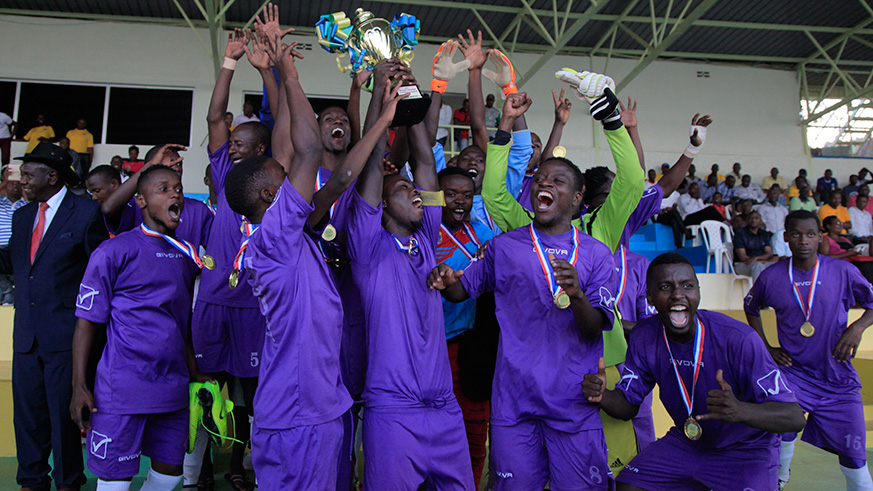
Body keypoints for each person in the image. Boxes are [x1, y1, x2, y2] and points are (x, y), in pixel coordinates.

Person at [432, 141, 619, 490]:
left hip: (573, 404)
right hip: (514, 403)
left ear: (578, 198)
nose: (544, 184)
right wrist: (446, 280)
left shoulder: (595, 254)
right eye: (540, 180)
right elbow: (462, 291)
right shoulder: (504, 246)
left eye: (557, 181)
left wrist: (577, 295)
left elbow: (594, 328)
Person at [347, 61, 474, 490]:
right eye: (403, 192)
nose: (415, 193)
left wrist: (413, 95)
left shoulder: (426, 241)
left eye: (414, 190)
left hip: (444, 408)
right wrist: (381, 100)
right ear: (380, 207)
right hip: (392, 410)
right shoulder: (366, 247)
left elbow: (424, 162)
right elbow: (368, 171)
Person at [583, 253, 805, 491]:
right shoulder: (645, 336)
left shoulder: (739, 339)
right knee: (628, 487)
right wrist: (602, 396)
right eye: (665, 287)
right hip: (687, 443)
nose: (678, 294)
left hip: (746, 449)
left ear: (698, 291)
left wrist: (741, 410)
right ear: (649, 296)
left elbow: (794, 417)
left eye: (687, 286)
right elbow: (628, 406)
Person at [70, 165, 208, 491]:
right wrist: (79, 386)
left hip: (172, 390)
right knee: (115, 483)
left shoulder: (185, 255)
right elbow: (86, 325)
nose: (176, 193)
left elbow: (181, 323)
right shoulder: (113, 251)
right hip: (122, 391)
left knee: (170, 476)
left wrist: (195, 373)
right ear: (142, 201)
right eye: (164, 188)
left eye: (178, 188)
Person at [0, 142, 108, 490]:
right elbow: (17, 266)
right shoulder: (21, 216)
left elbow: (98, 274)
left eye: (29, 176)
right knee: (27, 416)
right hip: (26, 335)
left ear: (52, 176)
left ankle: (68, 481)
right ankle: (31, 479)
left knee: (65, 418)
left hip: (66, 337)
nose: (23, 182)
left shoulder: (86, 213)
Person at [746, 210, 873, 491]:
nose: (803, 240)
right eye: (796, 234)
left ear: (820, 238)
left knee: (855, 459)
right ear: (786, 238)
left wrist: (857, 328)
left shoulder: (843, 271)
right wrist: (766, 347)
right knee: (782, 427)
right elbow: (750, 307)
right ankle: (779, 478)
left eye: (810, 234)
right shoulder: (772, 276)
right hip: (794, 374)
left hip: (838, 378)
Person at [434, 167, 495, 488]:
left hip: (469, 349)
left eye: (467, 195)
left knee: (473, 425)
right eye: (451, 194)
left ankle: (469, 484)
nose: (460, 201)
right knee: (435, 428)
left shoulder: (483, 235)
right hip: (427, 348)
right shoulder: (424, 231)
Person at [734, 210, 778, 281]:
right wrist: (759, 261)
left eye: (756, 218)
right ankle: (759, 291)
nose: (753, 220)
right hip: (743, 265)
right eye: (751, 218)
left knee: (778, 264)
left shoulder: (764, 234)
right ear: (747, 220)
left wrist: (757, 258)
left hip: (761, 262)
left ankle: (777, 291)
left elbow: (769, 253)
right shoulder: (740, 234)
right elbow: (743, 257)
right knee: (757, 266)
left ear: (760, 220)